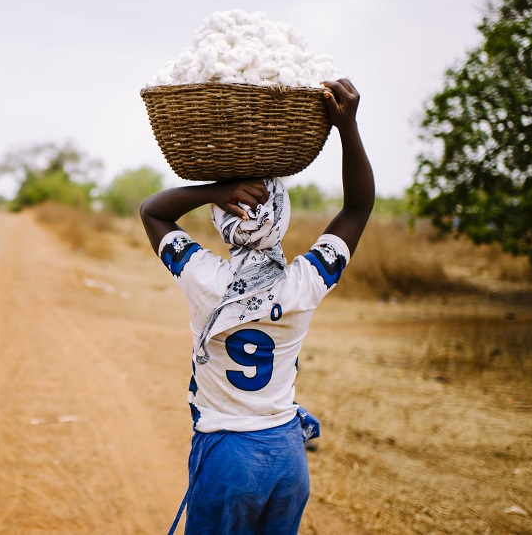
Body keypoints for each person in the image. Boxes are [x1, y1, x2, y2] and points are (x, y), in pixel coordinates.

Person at [139, 78, 374, 535]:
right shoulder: (306, 282)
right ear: (284, 218)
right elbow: (358, 207)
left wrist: (213, 189)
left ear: (222, 224)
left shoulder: (204, 279)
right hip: (287, 454)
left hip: (228, 455)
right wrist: (348, 127)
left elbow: (153, 211)